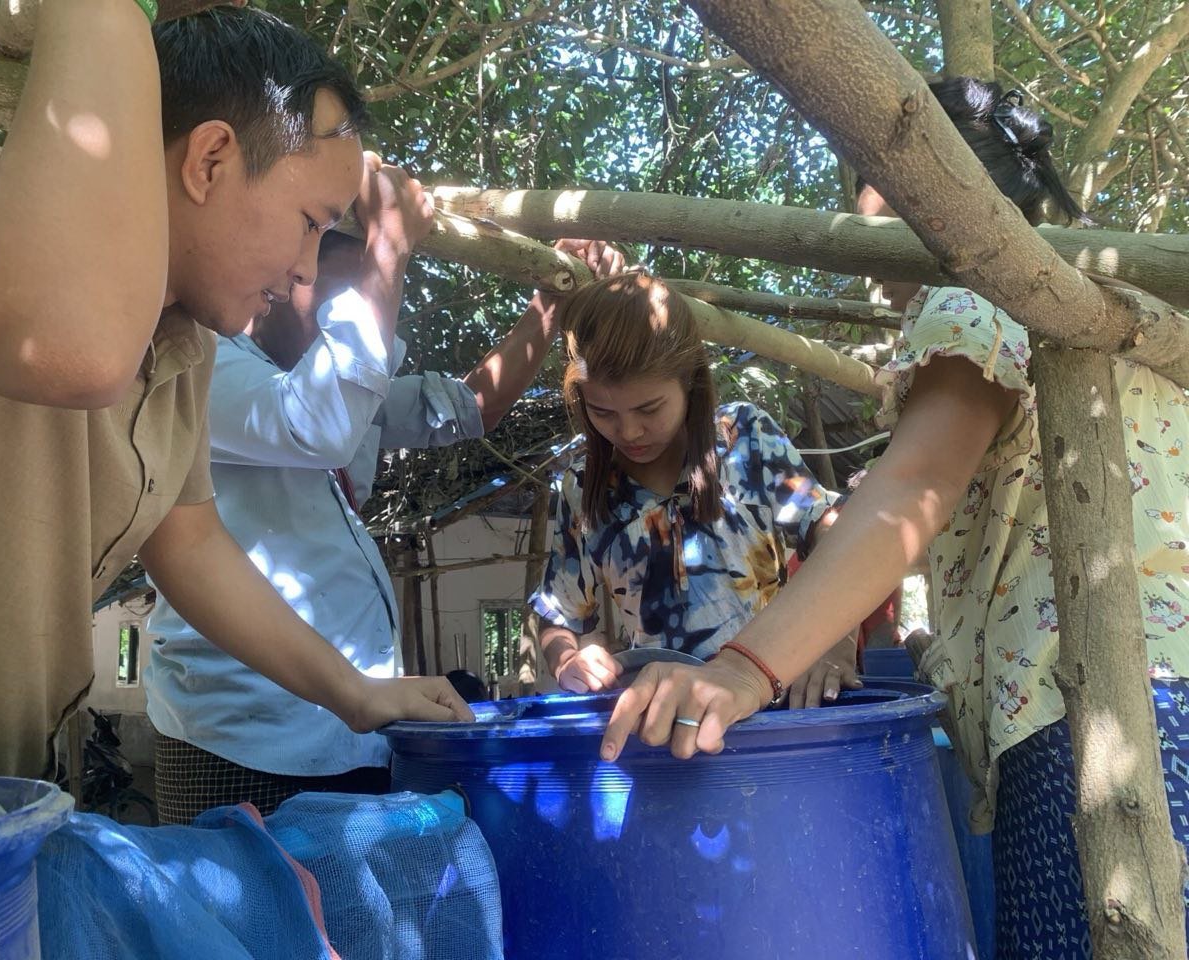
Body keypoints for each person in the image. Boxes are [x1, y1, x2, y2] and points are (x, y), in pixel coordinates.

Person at [601, 78, 1189, 956]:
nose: (853, 214)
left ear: (922, 190)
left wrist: (746, 668)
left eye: (863, 186)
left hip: (1094, 722)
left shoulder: (986, 293)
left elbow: (912, 490)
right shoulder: (1126, 310)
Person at [0, 3, 470, 781]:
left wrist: (356, 694)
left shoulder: (186, 345)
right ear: (209, 159)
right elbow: (66, 348)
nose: (309, 269)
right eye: (311, 221)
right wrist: (99, 11)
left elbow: (192, 544)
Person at [144, 230, 624, 823]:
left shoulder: (347, 392)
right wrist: (391, 239)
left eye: (367, 289)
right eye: (338, 288)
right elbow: (316, 422)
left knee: (343, 914)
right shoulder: (207, 363)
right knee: (255, 912)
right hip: (241, 738)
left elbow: (472, 406)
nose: (355, 310)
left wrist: (548, 308)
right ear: (280, 278)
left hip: (351, 726)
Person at [531, 271, 863, 705]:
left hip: (773, 704)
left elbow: (836, 533)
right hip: (661, 719)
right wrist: (566, 661)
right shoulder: (582, 486)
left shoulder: (746, 439)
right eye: (602, 411)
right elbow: (558, 615)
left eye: (649, 408)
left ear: (689, 379)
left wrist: (836, 645)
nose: (629, 430)